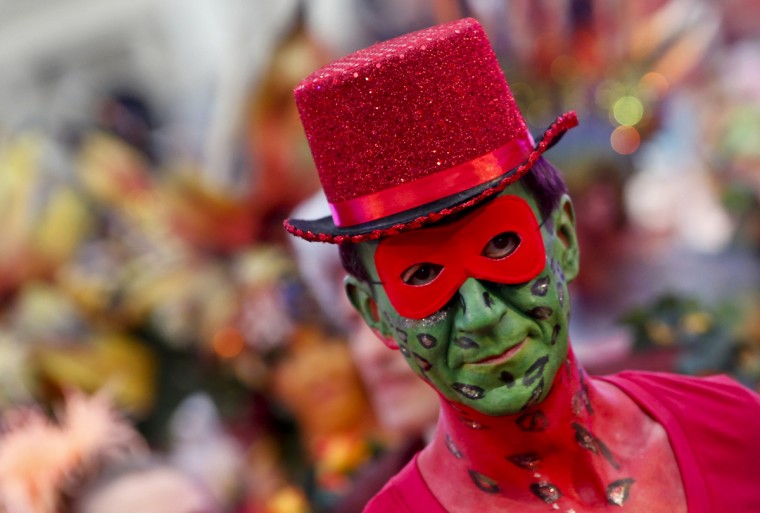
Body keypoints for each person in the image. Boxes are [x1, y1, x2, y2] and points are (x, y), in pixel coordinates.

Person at [283, 17, 760, 513]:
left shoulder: (730, 430)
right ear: (375, 314)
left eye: (500, 246)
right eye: (422, 275)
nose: (481, 313)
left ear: (565, 239)